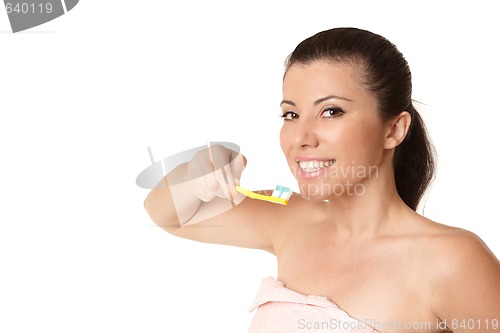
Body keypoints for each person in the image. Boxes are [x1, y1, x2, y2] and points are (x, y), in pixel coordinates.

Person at [144, 28, 500, 332]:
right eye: (291, 114)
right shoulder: (291, 220)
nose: (301, 136)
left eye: (331, 111)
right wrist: (201, 169)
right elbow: (168, 212)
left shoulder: (451, 259)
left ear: (394, 129)